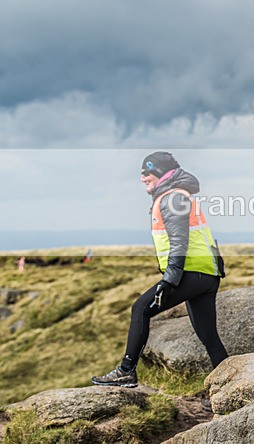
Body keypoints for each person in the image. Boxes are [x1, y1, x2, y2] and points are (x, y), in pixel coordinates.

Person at [92, 152, 228, 387]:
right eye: (142, 173)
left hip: (191, 272)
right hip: (205, 273)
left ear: (162, 174)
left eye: (148, 172)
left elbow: (179, 242)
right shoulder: (175, 196)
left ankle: (126, 370)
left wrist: (169, 281)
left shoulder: (173, 198)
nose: (143, 177)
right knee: (209, 337)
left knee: (140, 309)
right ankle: (230, 383)